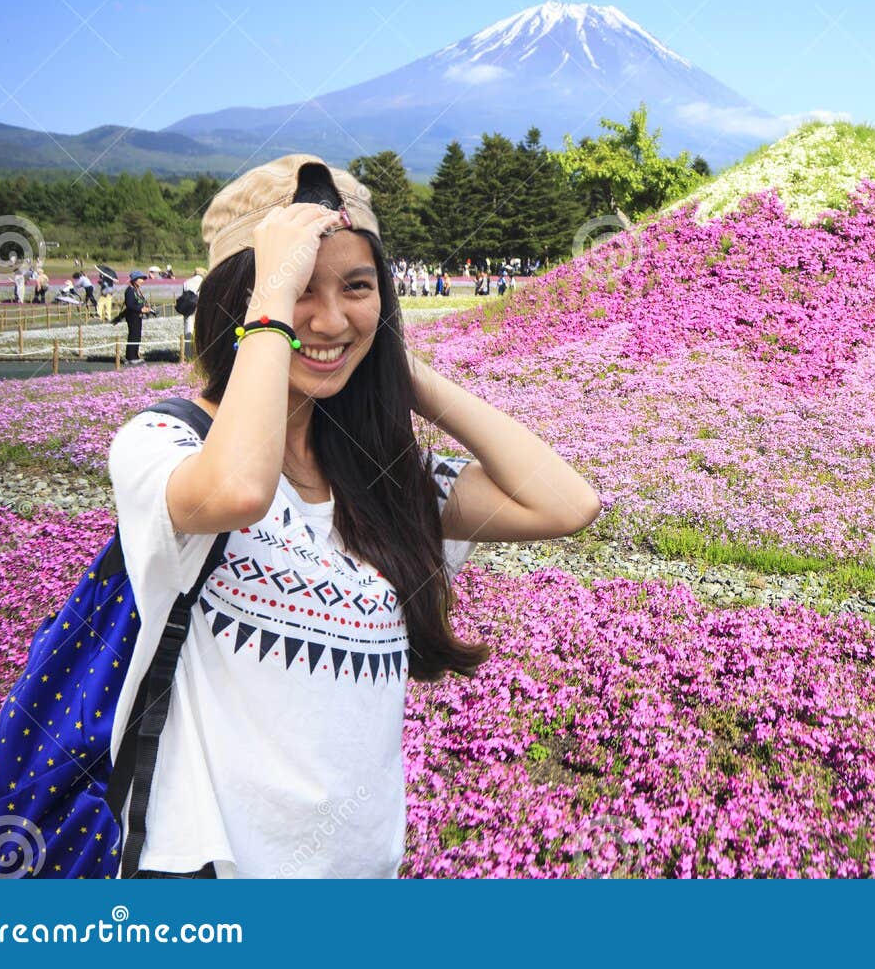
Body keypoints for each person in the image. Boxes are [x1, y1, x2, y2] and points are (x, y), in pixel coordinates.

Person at [103, 153, 599, 877]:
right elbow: (241, 489)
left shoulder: (384, 477)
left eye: (357, 288)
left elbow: (565, 502)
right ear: (241, 301)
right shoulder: (167, 442)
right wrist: (273, 292)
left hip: (356, 869)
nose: (329, 318)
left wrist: (394, 363)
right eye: (300, 288)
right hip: (207, 870)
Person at [122, 271, 149, 363]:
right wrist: (140, 309)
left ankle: (135, 355)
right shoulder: (130, 290)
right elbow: (129, 305)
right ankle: (130, 357)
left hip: (138, 316)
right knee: (133, 336)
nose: (142, 281)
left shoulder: (137, 290)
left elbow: (140, 302)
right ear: (134, 280)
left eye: (143, 279)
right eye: (140, 279)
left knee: (137, 336)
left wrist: (146, 308)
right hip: (132, 316)